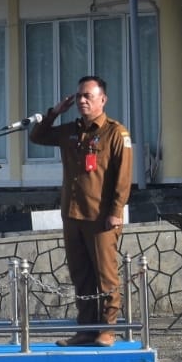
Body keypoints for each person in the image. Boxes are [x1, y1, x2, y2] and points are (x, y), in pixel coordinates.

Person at [28, 76, 134, 347]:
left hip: (100, 217)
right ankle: (86, 329)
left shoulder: (115, 133)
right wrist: (54, 112)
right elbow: (37, 136)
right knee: (81, 276)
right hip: (73, 214)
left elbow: (123, 177)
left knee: (105, 276)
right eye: (78, 96)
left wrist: (116, 211)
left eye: (88, 96)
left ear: (103, 99)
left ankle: (107, 329)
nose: (82, 100)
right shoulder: (70, 131)